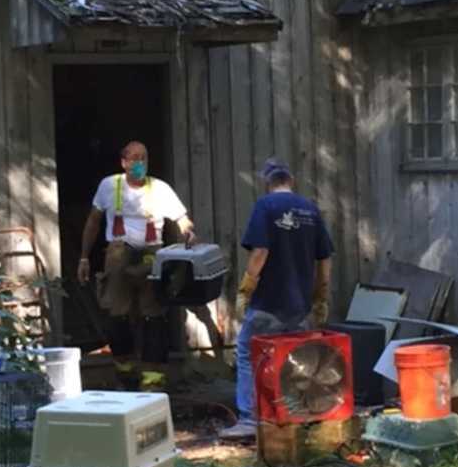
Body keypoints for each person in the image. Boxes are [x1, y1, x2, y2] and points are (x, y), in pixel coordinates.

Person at [220, 158, 334, 440]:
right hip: (300, 306)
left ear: (267, 182)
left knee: (248, 355)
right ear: (291, 180)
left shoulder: (265, 206)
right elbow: (325, 259)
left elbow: (260, 252)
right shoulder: (310, 209)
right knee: (297, 360)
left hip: (268, 302)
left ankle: (249, 420)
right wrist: (320, 296)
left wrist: (246, 288)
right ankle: (297, 414)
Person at [77, 140, 196, 364]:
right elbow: (93, 221)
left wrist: (188, 232)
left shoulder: (160, 188)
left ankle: (153, 379)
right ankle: (125, 373)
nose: (139, 163)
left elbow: (181, 219)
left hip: (151, 255)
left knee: (154, 314)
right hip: (118, 253)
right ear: (123, 162)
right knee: (116, 313)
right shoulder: (109, 186)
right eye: (134, 158)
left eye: (143, 158)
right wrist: (84, 257)